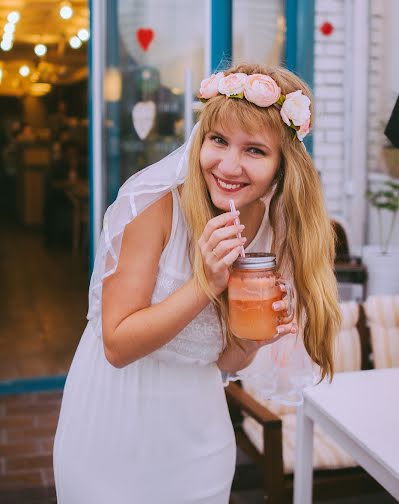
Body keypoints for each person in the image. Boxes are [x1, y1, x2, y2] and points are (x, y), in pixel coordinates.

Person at [53, 63, 341, 503]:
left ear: (284, 163)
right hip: (114, 426)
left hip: (199, 431)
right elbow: (117, 345)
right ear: (199, 141)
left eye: (255, 151)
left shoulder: (269, 228)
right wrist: (204, 283)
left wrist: (252, 342)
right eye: (218, 140)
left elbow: (222, 360)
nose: (229, 165)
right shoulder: (155, 207)